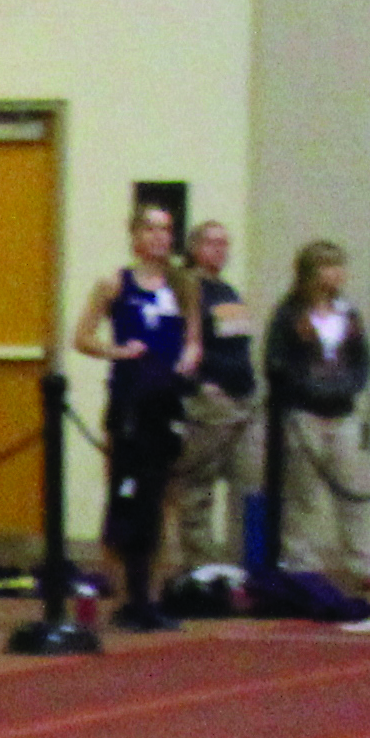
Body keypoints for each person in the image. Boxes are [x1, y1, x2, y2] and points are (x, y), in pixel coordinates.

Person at [73, 201, 192, 631]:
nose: (161, 237)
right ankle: (122, 592)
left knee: (160, 499)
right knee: (125, 499)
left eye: (167, 229)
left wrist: (189, 359)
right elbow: (81, 338)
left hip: (166, 403)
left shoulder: (182, 286)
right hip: (129, 403)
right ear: (135, 235)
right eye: (152, 229)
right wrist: (118, 351)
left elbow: (194, 338)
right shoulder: (114, 285)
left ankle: (150, 593)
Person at [265, 240, 370, 593]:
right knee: (303, 493)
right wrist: (308, 388)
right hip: (304, 413)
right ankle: (301, 562)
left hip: (342, 412)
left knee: (353, 491)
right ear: (312, 273)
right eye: (330, 267)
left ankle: (362, 561)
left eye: (340, 266)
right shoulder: (289, 314)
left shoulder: (348, 313)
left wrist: (348, 386)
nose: (338, 274)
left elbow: (361, 359)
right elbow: (276, 362)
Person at [167, 218, 258, 580]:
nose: (221, 250)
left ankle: (242, 565)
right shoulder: (187, 288)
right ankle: (200, 566)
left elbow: (237, 343)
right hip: (208, 402)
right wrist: (202, 384)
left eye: (225, 243)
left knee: (248, 483)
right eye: (212, 243)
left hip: (241, 401)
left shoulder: (228, 291)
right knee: (196, 487)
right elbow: (183, 342)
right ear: (194, 248)